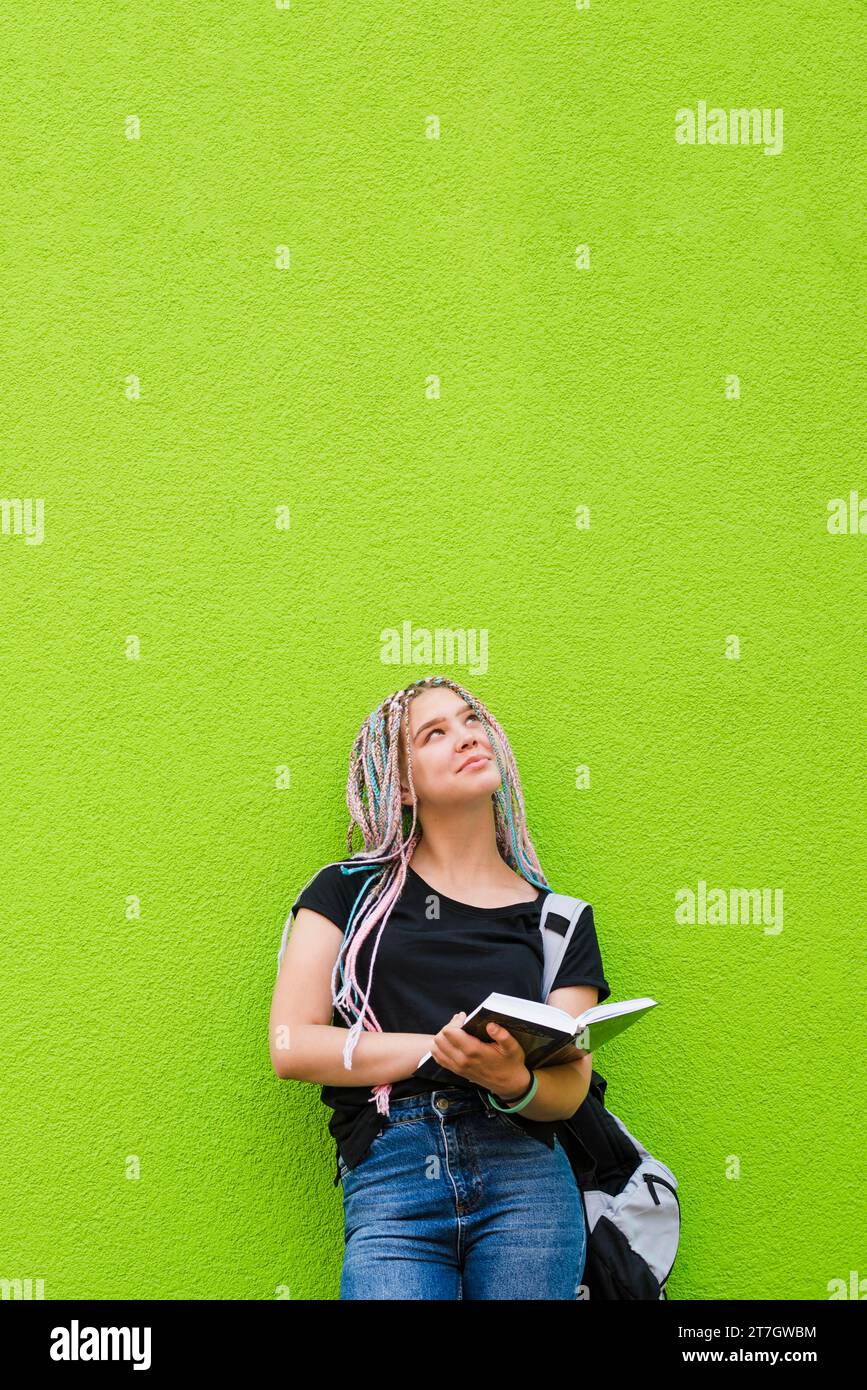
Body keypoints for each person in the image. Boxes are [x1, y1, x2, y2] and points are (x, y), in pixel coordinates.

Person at [269, 675, 611, 1299]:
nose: (466, 736)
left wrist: (512, 1080)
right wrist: (446, 1049)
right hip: (392, 1176)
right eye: (435, 733)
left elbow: (568, 1090)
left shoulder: (560, 919)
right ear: (400, 785)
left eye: (470, 719)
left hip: (527, 1182)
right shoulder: (344, 892)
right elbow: (292, 1047)